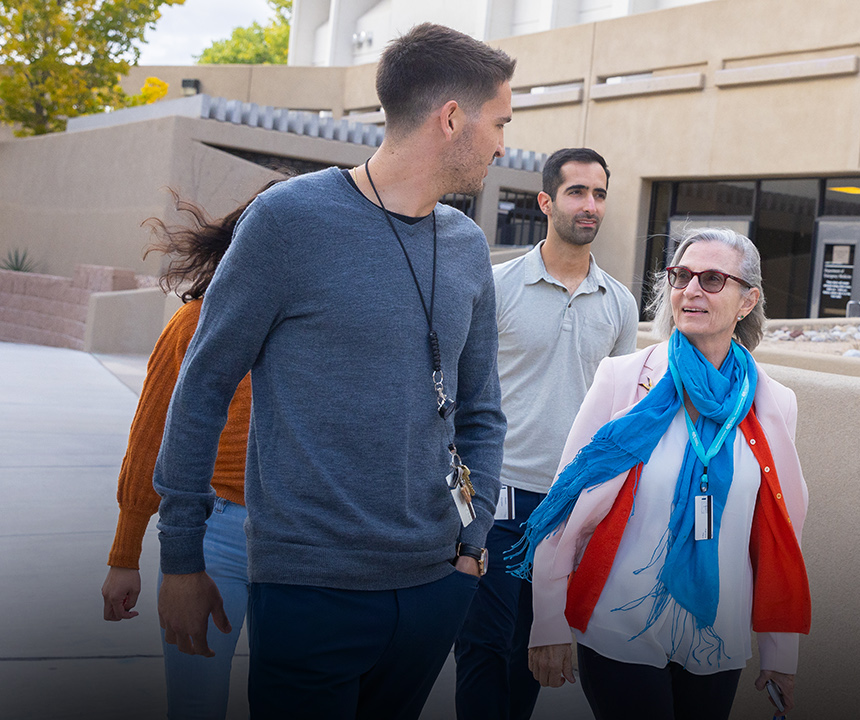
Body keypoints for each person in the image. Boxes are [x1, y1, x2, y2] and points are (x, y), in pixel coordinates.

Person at [151, 23, 513, 719]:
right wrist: (180, 557)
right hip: (309, 588)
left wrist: (470, 547)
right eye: (499, 121)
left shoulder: (467, 246)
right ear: (450, 119)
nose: (501, 142)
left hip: (436, 584)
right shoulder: (288, 222)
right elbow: (201, 388)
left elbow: (482, 410)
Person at [515, 227, 812, 720]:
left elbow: (778, 534)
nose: (691, 290)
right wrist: (547, 621)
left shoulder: (773, 402)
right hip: (618, 622)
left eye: (713, 279)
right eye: (681, 276)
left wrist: (781, 653)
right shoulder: (623, 380)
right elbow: (564, 506)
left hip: (720, 629)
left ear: (748, 300)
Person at [454, 148, 638, 719]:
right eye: (577, 192)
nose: (590, 205)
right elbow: (459, 393)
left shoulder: (621, 304)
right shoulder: (496, 284)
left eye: (600, 194)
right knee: (481, 651)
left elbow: (618, 414)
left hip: (565, 512)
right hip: (493, 501)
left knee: (531, 657)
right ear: (545, 201)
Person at [100, 185, 274, 720]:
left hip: (304, 541)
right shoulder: (194, 322)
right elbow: (149, 439)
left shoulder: (327, 332)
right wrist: (124, 556)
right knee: (195, 702)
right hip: (213, 534)